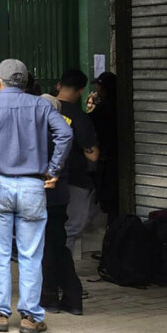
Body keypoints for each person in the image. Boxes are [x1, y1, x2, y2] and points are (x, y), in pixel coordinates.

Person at [0, 59, 72, 333]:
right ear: (26, 81)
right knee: (31, 254)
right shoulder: (41, 105)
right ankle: (31, 317)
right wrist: (53, 169)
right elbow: (65, 134)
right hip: (34, 185)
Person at [38, 94, 84, 316]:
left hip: (44, 196)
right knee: (58, 245)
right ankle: (73, 297)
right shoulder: (62, 131)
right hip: (60, 197)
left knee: (45, 247)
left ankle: (49, 297)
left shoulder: (43, 134)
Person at [56, 70, 101, 254]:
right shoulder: (79, 117)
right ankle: (62, 273)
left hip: (45, 179)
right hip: (75, 179)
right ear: (81, 90)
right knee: (70, 229)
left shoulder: (43, 110)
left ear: (59, 85)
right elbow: (92, 155)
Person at [89, 72, 118, 222]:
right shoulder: (122, 103)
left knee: (109, 203)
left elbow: (90, 125)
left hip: (108, 161)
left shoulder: (103, 108)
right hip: (115, 158)